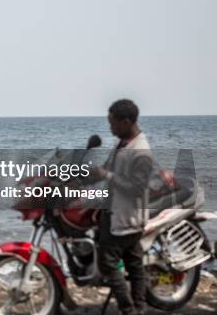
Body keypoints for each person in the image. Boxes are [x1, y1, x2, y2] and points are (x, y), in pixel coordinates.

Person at [94, 99, 152, 315]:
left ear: (126, 121)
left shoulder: (140, 150)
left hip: (125, 217)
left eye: (113, 123)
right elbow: (107, 170)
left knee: (108, 263)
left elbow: (137, 188)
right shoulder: (123, 143)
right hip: (116, 213)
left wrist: (106, 174)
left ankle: (129, 309)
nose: (111, 128)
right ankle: (139, 308)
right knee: (135, 266)